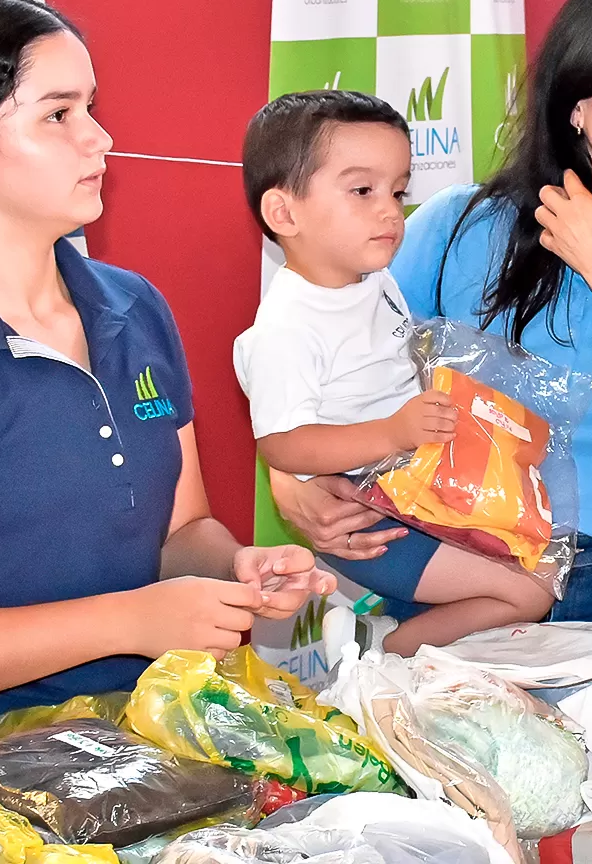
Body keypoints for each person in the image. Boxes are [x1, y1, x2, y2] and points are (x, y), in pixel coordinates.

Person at [0, 0, 335, 747]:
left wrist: (237, 568)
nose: (100, 138)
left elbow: (180, 530)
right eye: (58, 115)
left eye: (90, 107)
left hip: (158, 727)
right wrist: (125, 621)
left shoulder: (134, 307)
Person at [270, 0, 592, 628]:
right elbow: (316, 370)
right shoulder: (455, 226)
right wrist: (293, 485)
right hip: (457, 556)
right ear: (577, 103)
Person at [234, 90, 554, 656]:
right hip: (373, 515)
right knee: (531, 591)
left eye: (398, 191)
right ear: (283, 213)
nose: (390, 210)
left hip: (419, 487)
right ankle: (380, 656)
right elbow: (283, 444)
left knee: (536, 556)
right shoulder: (288, 327)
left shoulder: (375, 281)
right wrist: (394, 432)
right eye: (363, 191)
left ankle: (387, 642)